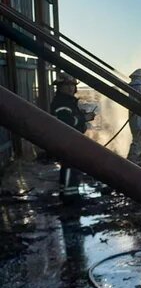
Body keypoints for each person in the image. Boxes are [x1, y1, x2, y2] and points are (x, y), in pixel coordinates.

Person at [50, 73, 95, 204]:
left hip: (71, 140)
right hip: (67, 141)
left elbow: (73, 117)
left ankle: (69, 194)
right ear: (59, 87)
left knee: (70, 167)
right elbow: (66, 122)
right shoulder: (62, 102)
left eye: (72, 85)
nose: (70, 88)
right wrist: (84, 118)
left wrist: (83, 116)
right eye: (66, 85)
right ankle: (70, 198)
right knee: (70, 167)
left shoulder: (68, 101)